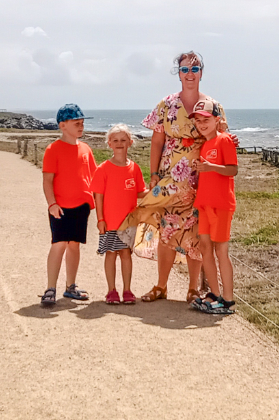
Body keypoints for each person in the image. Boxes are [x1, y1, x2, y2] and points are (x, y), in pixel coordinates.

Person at [134, 51, 232, 304]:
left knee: (196, 235)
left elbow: (222, 139)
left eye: (194, 68)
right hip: (171, 178)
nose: (190, 74)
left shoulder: (214, 105)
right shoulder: (166, 104)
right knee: (167, 231)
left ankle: (192, 289)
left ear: (201, 72)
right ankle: (161, 286)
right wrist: (153, 175)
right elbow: (157, 142)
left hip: (202, 183)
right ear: (178, 74)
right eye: (185, 69)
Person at [40, 103, 95, 307]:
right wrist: (52, 203)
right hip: (60, 206)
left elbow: (93, 176)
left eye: (82, 123)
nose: (81, 126)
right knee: (59, 244)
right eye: (76, 123)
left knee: (74, 245)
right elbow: (47, 180)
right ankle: (50, 288)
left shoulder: (86, 149)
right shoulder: (52, 149)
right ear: (63, 126)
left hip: (81, 206)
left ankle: (70, 286)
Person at [189, 100, 239, 315]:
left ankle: (228, 300)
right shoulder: (205, 145)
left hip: (221, 204)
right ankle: (215, 294)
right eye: (198, 121)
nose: (202, 124)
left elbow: (232, 170)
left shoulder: (224, 140)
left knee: (221, 250)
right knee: (205, 249)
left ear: (217, 120)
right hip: (205, 204)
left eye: (206, 120)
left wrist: (211, 167)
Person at [90, 124, 147, 305]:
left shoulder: (135, 168)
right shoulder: (103, 169)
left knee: (125, 254)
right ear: (109, 144)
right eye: (115, 140)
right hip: (109, 221)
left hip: (128, 222)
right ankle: (111, 291)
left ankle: (127, 290)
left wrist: (158, 191)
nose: (119, 143)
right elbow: (98, 196)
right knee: (111, 254)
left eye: (123, 140)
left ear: (130, 142)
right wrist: (100, 220)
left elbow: (140, 192)